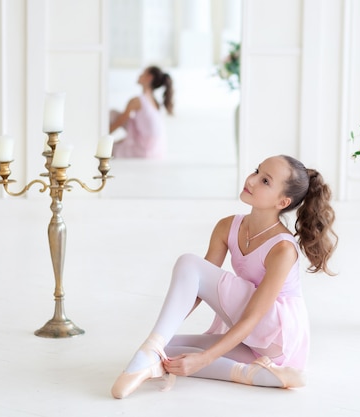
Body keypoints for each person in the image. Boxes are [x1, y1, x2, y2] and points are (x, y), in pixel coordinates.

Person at [111, 155, 338, 399]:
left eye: (264, 181)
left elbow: (253, 316)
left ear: (282, 201)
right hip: (253, 338)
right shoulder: (227, 226)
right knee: (165, 348)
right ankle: (257, 375)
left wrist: (203, 359)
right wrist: (162, 335)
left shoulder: (282, 249)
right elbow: (195, 287)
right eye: (256, 171)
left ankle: (150, 354)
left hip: (277, 339)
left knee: (188, 262)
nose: (251, 180)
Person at [109, 66, 174, 159]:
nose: (139, 75)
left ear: (149, 77)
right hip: (156, 150)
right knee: (115, 117)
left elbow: (120, 121)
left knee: (112, 114)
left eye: (143, 73)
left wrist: (102, 138)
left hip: (143, 150)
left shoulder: (138, 101)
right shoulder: (156, 102)